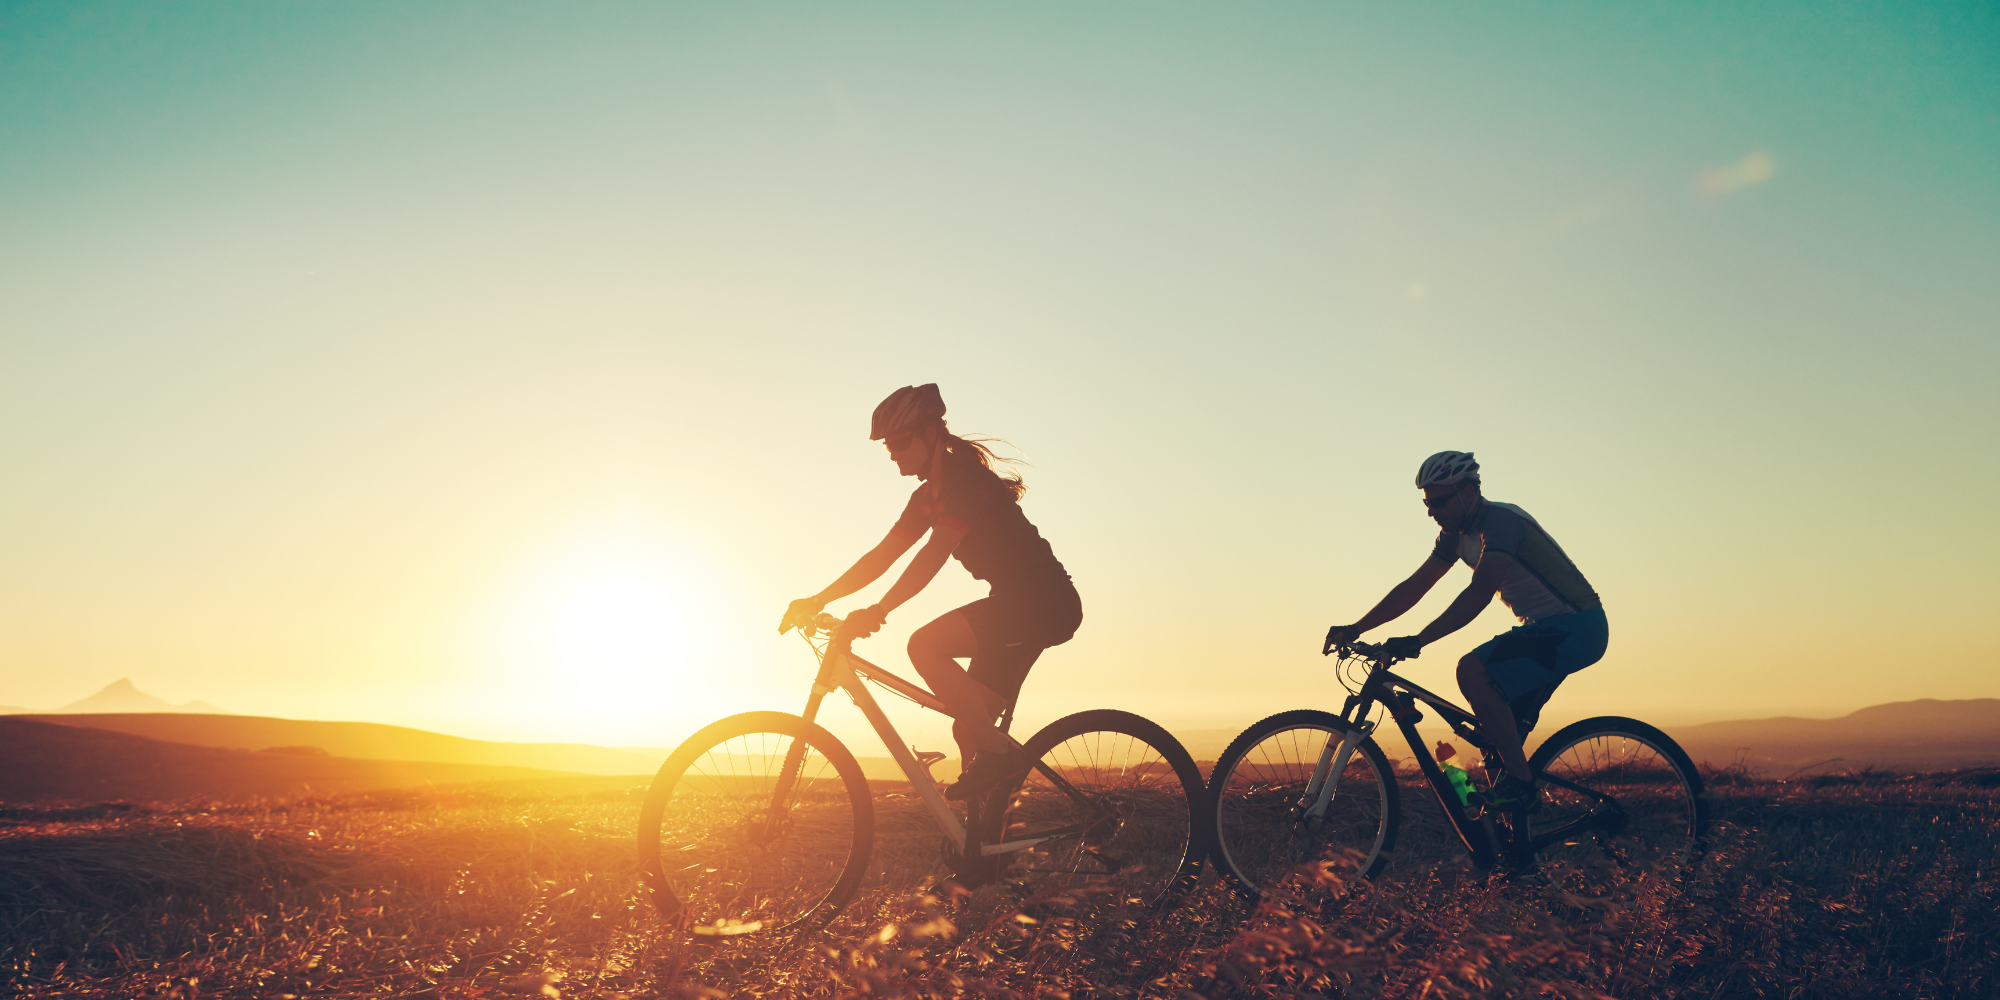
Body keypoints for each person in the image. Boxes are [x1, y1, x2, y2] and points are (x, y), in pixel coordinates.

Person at [779, 384, 1082, 802]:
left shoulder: (965, 481)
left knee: (924, 645)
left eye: (900, 442)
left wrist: (879, 610)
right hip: (1015, 606)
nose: (893, 454)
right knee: (969, 729)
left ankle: (1000, 758)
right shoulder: (926, 499)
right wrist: (818, 600)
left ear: (930, 434)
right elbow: (880, 557)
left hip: (1042, 602)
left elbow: (935, 553)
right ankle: (986, 835)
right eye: (888, 446)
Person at [1323, 451, 1607, 811]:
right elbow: (1415, 586)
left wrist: (1419, 640)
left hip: (1575, 626)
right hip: (1545, 629)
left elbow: (1479, 593)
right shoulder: (1454, 535)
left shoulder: (1501, 522)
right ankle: (1511, 834)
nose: (1432, 512)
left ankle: (1524, 789)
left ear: (1468, 492)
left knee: (1471, 671)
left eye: (1439, 501)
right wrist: (1356, 627)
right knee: (1494, 741)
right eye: (1427, 504)